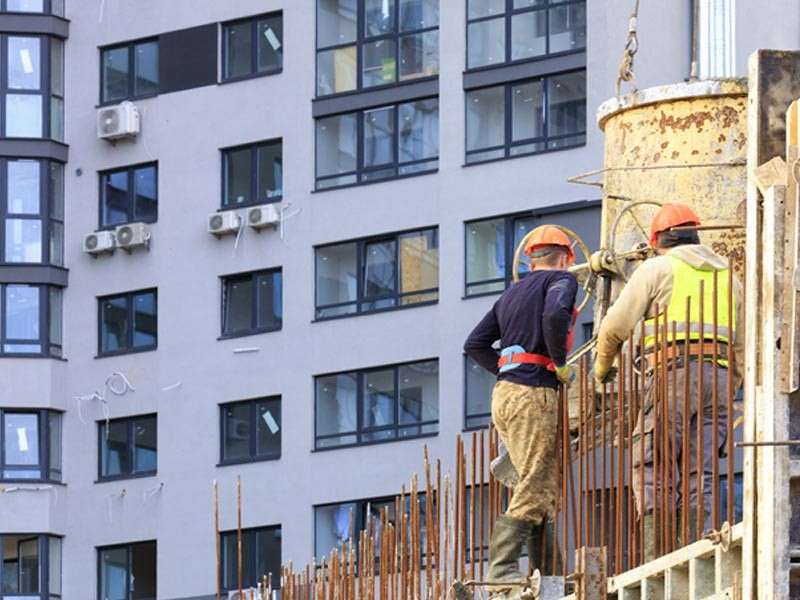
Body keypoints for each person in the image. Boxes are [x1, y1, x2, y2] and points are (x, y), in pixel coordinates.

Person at [593, 202, 743, 557]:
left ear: (659, 239)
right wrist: (728, 393)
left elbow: (614, 328)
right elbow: (741, 347)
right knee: (700, 468)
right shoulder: (730, 278)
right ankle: (692, 551)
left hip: (673, 376)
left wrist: (603, 369)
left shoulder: (657, 268)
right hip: (720, 380)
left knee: (652, 461)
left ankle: (655, 555)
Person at [463, 225, 578, 588]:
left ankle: (551, 572)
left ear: (529, 260)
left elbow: (474, 344)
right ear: (565, 257)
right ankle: (500, 567)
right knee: (535, 480)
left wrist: (509, 367)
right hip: (533, 393)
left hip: (505, 394)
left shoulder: (510, 295)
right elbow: (556, 316)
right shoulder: (561, 280)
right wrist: (557, 361)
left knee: (542, 482)